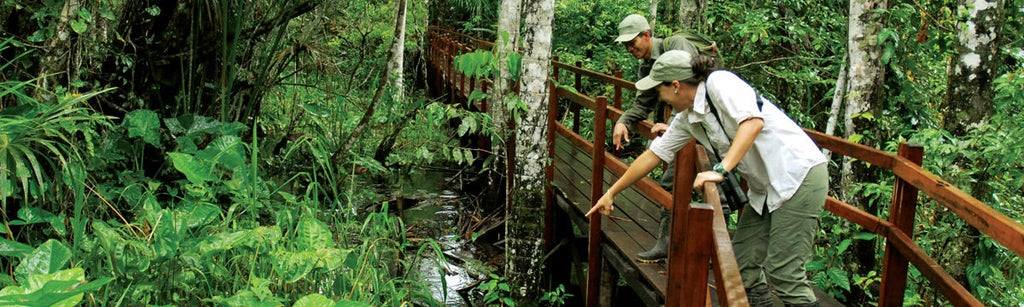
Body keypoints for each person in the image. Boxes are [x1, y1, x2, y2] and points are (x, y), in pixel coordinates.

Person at [586, 50, 828, 307]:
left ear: (676, 86)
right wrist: (612, 191)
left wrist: (722, 169)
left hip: (798, 177)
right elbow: (653, 156)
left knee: (785, 274)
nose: (660, 99)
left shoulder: (720, 83)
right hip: (766, 189)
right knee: (743, 267)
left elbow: (753, 122)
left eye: (660, 91)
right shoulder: (688, 118)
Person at [613, 14, 702, 263]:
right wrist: (624, 120)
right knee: (671, 182)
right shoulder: (647, 66)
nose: (630, 48)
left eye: (633, 42)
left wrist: (673, 123)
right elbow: (644, 102)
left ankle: (711, 254)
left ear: (647, 35)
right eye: (626, 46)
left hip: (704, 123)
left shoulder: (676, 47)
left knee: (720, 192)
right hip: (688, 127)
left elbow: (689, 86)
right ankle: (666, 243)